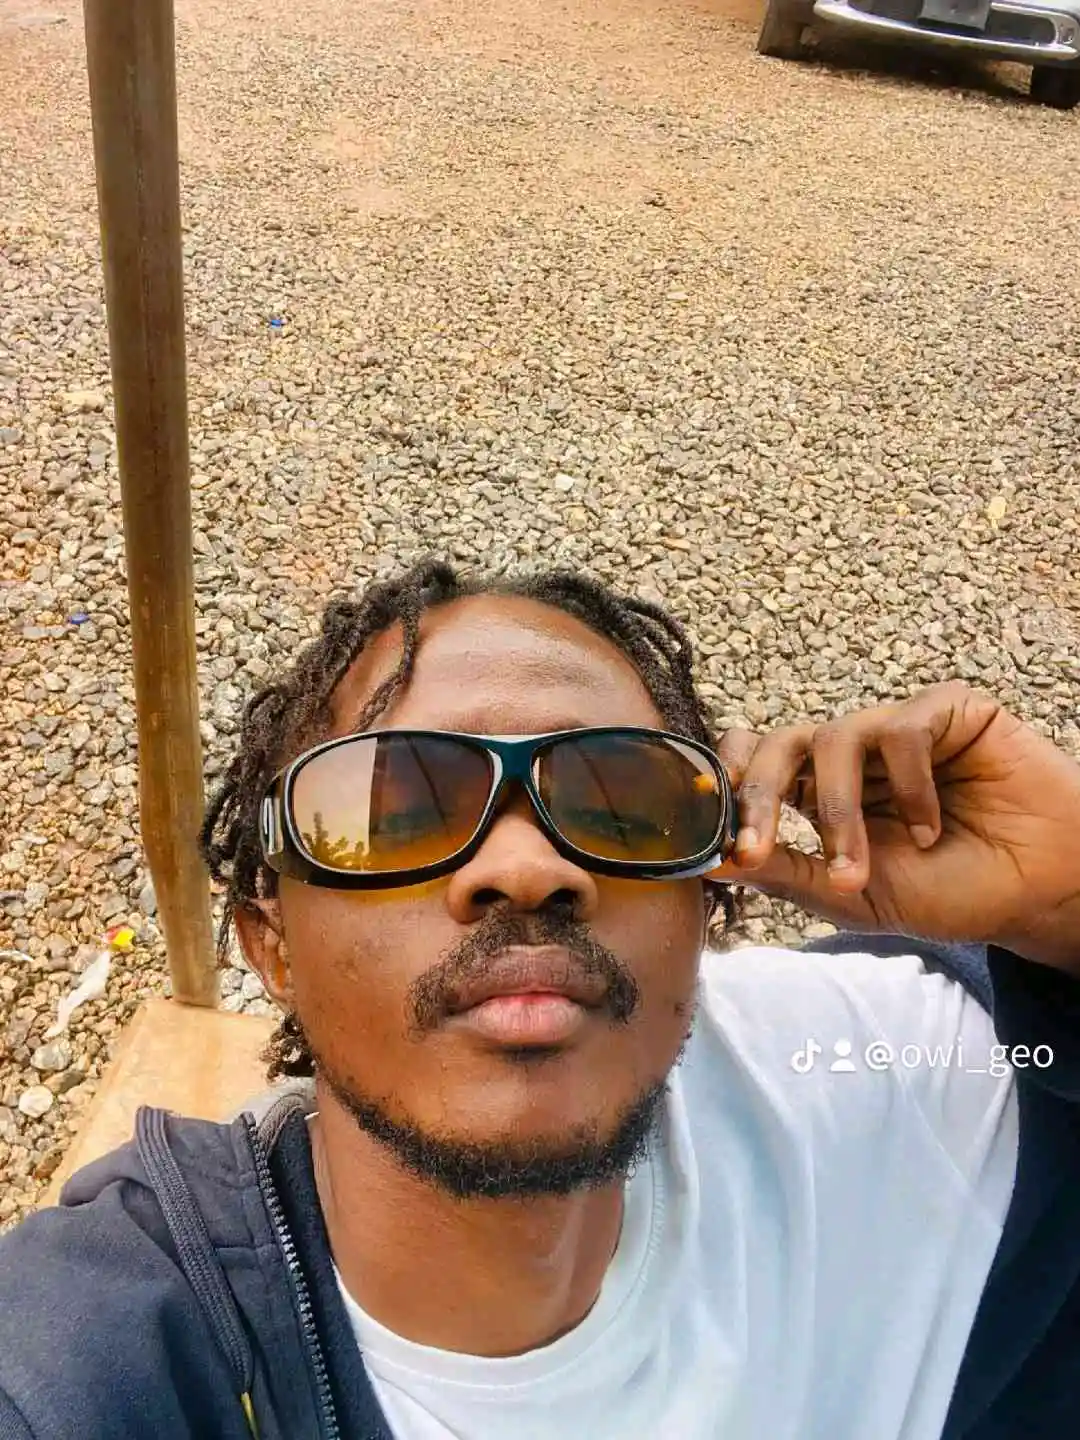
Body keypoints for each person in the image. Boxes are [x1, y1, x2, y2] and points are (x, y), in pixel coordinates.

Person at [0, 557, 1078, 1440]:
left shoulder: (873, 1073)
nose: (524, 868)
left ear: (710, 895)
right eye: (393, 810)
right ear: (272, 946)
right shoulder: (115, 1348)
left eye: (622, 801)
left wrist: (1063, 909)